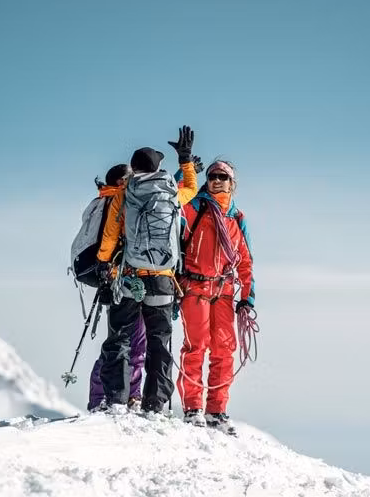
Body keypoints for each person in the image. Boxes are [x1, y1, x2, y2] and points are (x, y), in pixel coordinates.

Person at [94, 126, 198, 414]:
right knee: (159, 342)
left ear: (134, 169)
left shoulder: (125, 194)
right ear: (158, 167)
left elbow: (111, 235)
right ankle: (155, 402)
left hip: (130, 278)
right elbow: (192, 186)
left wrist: (104, 265)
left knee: (121, 338)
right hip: (163, 279)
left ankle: (116, 399)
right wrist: (186, 158)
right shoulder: (172, 194)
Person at [177, 160, 255, 434]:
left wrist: (247, 298)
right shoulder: (193, 208)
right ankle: (193, 408)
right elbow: (171, 198)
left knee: (224, 351)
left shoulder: (236, 218)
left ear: (232, 184)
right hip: (195, 288)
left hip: (223, 292)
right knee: (195, 347)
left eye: (223, 177)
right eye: (212, 176)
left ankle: (217, 411)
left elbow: (245, 262)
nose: (217, 180)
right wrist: (184, 167)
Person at [87, 164, 146, 412]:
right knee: (129, 343)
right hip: (124, 279)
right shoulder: (115, 202)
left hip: (117, 279)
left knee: (119, 342)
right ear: (122, 182)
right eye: (130, 178)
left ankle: (110, 395)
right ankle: (122, 395)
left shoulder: (106, 201)